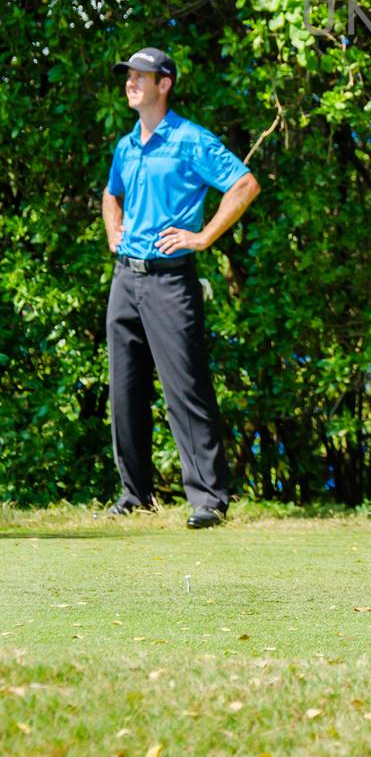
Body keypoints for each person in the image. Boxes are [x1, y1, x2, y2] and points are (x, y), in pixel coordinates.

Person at [101, 47, 259, 528]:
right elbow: (112, 195)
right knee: (124, 390)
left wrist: (205, 236)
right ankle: (135, 494)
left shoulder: (190, 139)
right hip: (126, 280)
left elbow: (244, 184)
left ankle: (209, 499)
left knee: (184, 389)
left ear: (164, 83)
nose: (131, 82)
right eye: (128, 76)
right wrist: (114, 230)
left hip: (171, 280)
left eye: (140, 76)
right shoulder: (127, 145)